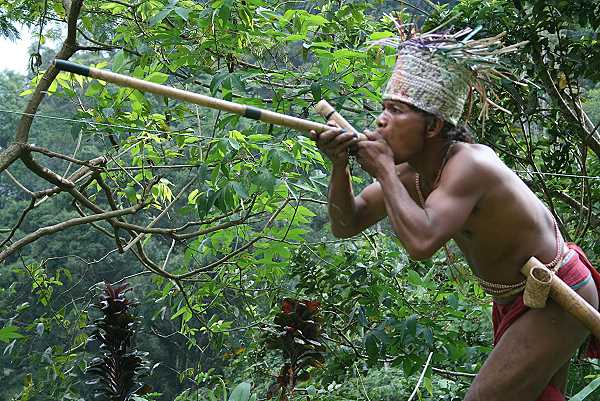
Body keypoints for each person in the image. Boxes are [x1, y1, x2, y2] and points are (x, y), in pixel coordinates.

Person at [310, 29, 600, 401]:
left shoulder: (470, 165)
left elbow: (422, 243)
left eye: (396, 111)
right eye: (383, 109)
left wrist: (382, 169)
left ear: (432, 126)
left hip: (557, 292)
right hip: (522, 298)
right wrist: (339, 166)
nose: (381, 121)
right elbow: (346, 224)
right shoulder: (409, 171)